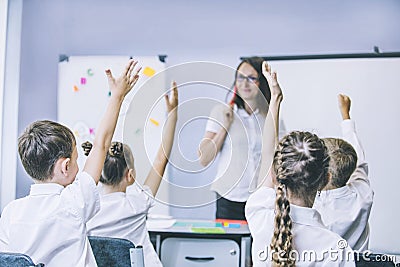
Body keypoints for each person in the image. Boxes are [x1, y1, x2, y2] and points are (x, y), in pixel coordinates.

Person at [0, 60, 140, 266]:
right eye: (77, 159)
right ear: (65, 167)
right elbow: (101, 144)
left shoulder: (11, 212)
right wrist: (118, 96)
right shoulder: (73, 202)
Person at [245, 62, 355, 266]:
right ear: (326, 179)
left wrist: (275, 98)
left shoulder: (259, 216)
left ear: (275, 175)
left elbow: (268, 153)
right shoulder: (336, 249)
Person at [85, 81, 178, 267]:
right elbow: (162, 158)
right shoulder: (138, 202)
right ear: (130, 175)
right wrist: (173, 114)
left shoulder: (87, 208)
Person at [198, 56, 272, 220]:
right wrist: (225, 126)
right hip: (229, 199)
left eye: (251, 78)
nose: (244, 84)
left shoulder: (271, 117)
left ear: (262, 82)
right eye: (240, 77)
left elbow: (279, 157)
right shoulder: (222, 112)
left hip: (261, 199)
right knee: (229, 245)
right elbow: (204, 158)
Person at [313, 94, 373, 252]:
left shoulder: (316, 209)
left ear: (327, 176)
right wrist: (346, 116)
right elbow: (359, 160)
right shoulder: (363, 194)